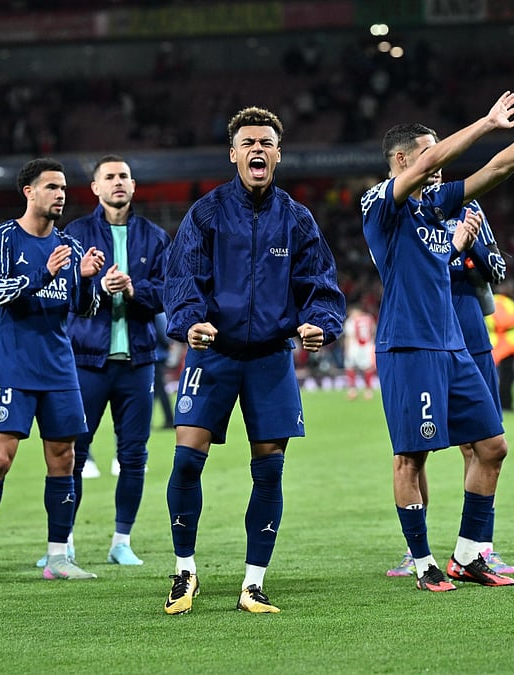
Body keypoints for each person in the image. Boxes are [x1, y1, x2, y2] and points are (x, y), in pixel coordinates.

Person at [361, 91, 514, 593]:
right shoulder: (380, 204)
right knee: (411, 458)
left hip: (454, 346)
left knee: (492, 447)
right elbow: (437, 162)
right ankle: (422, 561)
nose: (439, 159)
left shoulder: (435, 205)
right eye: (430, 151)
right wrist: (487, 122)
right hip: (409, 346)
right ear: (402, 160)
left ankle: (468, 555)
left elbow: (494, 172)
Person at [163, 106, 346, 615]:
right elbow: (182, 276)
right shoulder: (206, 213)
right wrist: (189, 320)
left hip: (270, 359)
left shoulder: (297, 219)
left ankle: (253, 583)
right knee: (186, 460)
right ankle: (184, 571)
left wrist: (319, 323)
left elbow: (321, 284)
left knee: (269, 472)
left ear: (278, 154)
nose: (257, 150)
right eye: (248, 143)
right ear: (233, 154)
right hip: (213, 354)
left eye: (266, 143)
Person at [0, 158, 105, 584]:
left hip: (59, 366)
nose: (60, 194)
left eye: (63, 188)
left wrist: (86, 278)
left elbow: (85, 309)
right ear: (29, 192)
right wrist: (44, 273)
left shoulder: (70, 246)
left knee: (64, 458)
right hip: (13, 365)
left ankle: (57, 557)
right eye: (51, 187)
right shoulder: (4, 238)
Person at [35, 154, 170, 568]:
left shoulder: (155, 237)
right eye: (109, 177)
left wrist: (132, 290)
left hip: (137, 363)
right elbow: (59, 289)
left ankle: (121, 542)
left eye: (124, 176)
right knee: (72, 454)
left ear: (133, 185)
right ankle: (63, 543)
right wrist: (94, 284)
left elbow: (169, 292)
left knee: (134, 456)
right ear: (95, 188)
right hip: (86, 361)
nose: (118, 182)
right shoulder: (75, 234)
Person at [385, 185, 514, 579]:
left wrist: (472, 243)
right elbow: (410, 275)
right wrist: (454, 248)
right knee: (416, 448)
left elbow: (498, 269)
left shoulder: (469, 208)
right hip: (424, 332)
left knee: (481, 444)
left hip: (470, 331)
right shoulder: (402, 209)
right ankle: (416, 550)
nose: (437, 174)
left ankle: (480, 547)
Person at [487, 291, 514, 411]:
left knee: (506, 375)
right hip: (504, 344)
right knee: (506, 376)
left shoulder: (498, 301)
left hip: (503, 344)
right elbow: (501, 322)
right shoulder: (500, 302)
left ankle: (503, 403)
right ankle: (504, 403)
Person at [342, 307, 377, 401]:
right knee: (368, 368)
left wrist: (346, 349)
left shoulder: (351, 321)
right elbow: (373, 331)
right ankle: (368, 391)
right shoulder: (369, 318)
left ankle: (352, 390)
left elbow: (349, 336)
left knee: (350, 366)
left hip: (354, 346)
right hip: (368, 346)